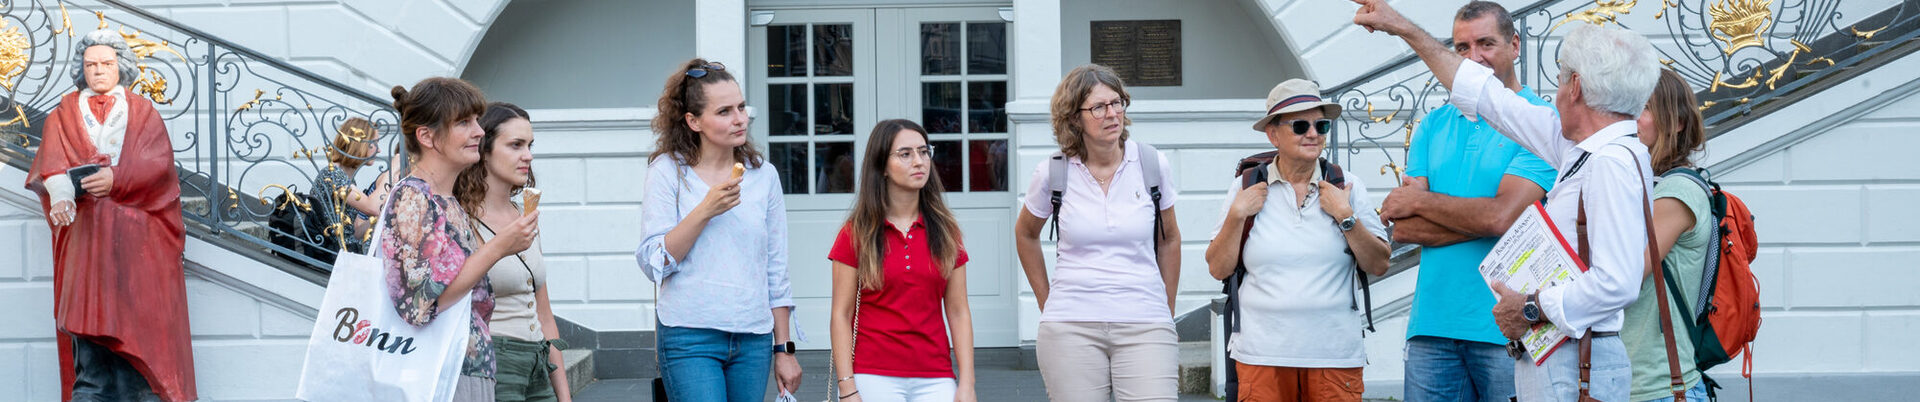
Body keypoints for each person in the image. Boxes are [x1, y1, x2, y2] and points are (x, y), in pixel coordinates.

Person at [1354, 1, 1663, 401]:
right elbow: (1489, 99)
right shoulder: (1583, 149)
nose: (1553, 95)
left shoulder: (1609, 162)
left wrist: (1532, 307)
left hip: (1575, 357)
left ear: (1576, 88)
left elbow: (1617, 283)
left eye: (1559, 81)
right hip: (1561, 352)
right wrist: (1404, 29)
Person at [1373, 3, 1555, 401]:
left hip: (1507, 327)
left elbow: (1501, 217)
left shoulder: (1543, 123)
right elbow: (1403, 227)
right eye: (1461, 47)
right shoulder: (1431, 125)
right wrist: (1484, 214)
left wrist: (1425, 202)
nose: (1474, 58)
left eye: (1486, 43)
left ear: (1515, 45)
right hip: (1431, 326)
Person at [26, 29, 196, 402]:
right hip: (86, 242)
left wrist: (117, 179)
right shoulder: (63, 114)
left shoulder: (143, 112)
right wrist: (61, 195)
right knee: (90, 349)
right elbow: (51, 166)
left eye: (106, 64)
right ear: (80, 70)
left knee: (140, 340)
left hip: (138, 246)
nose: (99, 71)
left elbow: (159, 166)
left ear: (122, 66)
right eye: (91, 65)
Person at [1203, 79, 1392, 402]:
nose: (1313, 133)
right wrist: (1237, 216)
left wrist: (1346, 217)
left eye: (1321, 125)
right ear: (1273, 134)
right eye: (1300, 125)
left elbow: (1378, 264)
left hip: (1333, 356)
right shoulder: (1245, 187)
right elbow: (1219, 268)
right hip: (1261, 356)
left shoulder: (1347, 185)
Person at [1013, 64, 1182, 402]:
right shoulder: (1053, 172)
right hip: (1070, 324)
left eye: (1117, 103)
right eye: (1099, 107)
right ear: (1074, 118)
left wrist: (1166, 306)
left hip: (1145, 320)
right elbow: (1025, 235)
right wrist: (1049, 302)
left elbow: (1169, 239)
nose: (1113, 114)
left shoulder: (1151, 164)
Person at [636, 58, 801, 402]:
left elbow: (775, 268)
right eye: (724, 111)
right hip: (689, 335)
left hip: (753, 337)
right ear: (693, 121)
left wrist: (783, 349)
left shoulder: (763, 175)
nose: (740, 119)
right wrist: (706, 210)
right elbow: (655, 263)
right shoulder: (667, 172)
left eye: (740, 107)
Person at [381, 77, 539, 401]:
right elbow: (420, 303)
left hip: (465, 364)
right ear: (427, 136)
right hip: (438, 371)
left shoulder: (446, 200)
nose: (479, 132)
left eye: (477, 121)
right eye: (464, 123)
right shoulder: (413, 198)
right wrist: (498, 247)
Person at [826, 119, 978, 402]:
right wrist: (847, 387)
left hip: (936, 375)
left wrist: (967, 384)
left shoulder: (946, 231)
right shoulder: (856, 233)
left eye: (923, 152)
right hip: (872, 374)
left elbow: (958, 311)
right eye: (905, 154)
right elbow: (841, 315)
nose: (919, 161)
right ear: (882, 165)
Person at [453, 102, 573, 402]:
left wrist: (564, 396)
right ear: (485, 150)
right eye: (516, 145)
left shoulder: (525, 215)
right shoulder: (460, 218)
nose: (528, 156)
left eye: (530, 145)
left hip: (538, 363)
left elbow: (544, 314)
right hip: (493, 359)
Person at [1625, 69, 1711, 402]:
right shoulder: (1646, 185)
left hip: (1659, 386)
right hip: (1630, 382)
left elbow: (1629, 273)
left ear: (1676, 122)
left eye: (1643, 108)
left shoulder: (1677, 192)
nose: (1631, 118)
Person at [313, 117, 393, 254]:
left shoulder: (347, 179)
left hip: (345, 253)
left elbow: (354, 233)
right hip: (332, 255)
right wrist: (391, 171)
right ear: (360, 144)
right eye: (374, 143)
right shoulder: (332, 175)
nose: (379, 150)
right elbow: (371, 207)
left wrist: (379, 217)